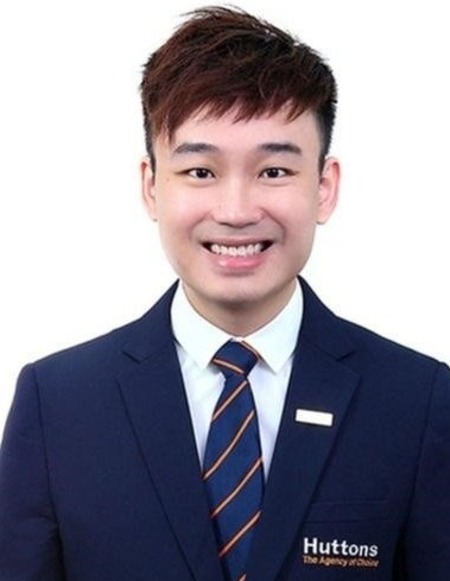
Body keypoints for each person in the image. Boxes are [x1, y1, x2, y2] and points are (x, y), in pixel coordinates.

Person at [0, 6, 449, 581]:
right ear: (151, 186)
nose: (236, 211)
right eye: (200, 172)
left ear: (324, 187)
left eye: (274, 171)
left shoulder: (417, 401)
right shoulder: (58, 403)